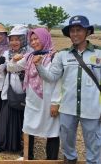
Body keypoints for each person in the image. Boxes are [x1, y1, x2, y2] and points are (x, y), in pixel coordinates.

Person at [35, 16, 101, 164]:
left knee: (94, 144)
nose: (75, 34)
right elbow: (52, 77)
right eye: (72, 31)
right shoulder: (62, 55)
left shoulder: (98, 54)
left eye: (79, 30)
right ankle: (70, 159)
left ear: (87, 32)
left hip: (92, 109)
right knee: (66, 141)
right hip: (67, 108)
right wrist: (39, 66)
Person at [8, 28, 60, 160]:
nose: (34, 42)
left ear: (45, 38)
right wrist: (14, 60)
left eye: (37, 38)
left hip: (48, 101)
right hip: (32, 99)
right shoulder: (30, 56)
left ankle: (51, 159)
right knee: (28, 127)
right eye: (31, 40)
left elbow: (58, 81)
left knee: (52, 131)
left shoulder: (55, 57)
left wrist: (56, 102)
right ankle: (28, 156)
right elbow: (11, 68)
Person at [0, 25, 30, 155]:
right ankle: (0, 144)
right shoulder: (7, 53)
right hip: (10, 91)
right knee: (5, 117)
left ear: (23, 39)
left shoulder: (28, 53)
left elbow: (15, 67)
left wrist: (9, 63)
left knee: (24, 120)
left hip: (25, 92)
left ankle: (23, 147)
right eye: (11, 39)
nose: (14, 42)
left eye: (17, 39)